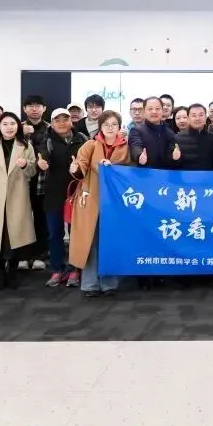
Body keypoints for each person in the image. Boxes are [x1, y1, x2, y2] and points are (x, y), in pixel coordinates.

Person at [69, 110, 129, 297]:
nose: (110, 128)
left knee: (110, 241)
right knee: (90, 242)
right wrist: (75, 168)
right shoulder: (90, 145)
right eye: (106, 124)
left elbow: (132, 171)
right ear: (100, 127)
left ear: (119, 127)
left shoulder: (126, 147)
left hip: (115, 203)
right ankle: (90, 284)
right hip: (91, 199)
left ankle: (109, 283)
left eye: (114, 124)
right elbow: (81, 166)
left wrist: (114, 168)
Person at [0, 112, 37, 290]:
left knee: (14, 238)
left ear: (18, 126)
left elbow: (33, 171)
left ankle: (12, 271)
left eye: (12, 123)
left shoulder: (26, 146)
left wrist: (26, 165)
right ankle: (0, 272)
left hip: (17, 198)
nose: (9, 127)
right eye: (5, 124)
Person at [38, 108, 88, 287]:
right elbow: (43, 156)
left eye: (65, 119)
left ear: (71, 121)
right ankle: (57, 269)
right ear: (51, 123)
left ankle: (75, 269)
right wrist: (42, 163)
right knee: (55, 233)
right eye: (57, 120)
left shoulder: (82, 139)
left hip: (77, 192)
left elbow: (88, 162)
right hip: (53, 194)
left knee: (76, 233)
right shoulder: (47, 139)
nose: (61, 123)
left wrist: (79, 168)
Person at [21, 95, 49, 272]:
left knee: (41, 219)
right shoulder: (16, 127)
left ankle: (39, 255)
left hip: (42, 181)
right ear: (24, 109)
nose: (34, 109)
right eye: (30, 106)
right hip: (21, 180)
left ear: (44, 108)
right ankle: (23, 256)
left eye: (38, 105)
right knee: (22, 219)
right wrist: (22, 133)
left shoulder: (50, 128)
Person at [168, 103, 213, 171]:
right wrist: (174, 159)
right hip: (186, 177)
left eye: (201, 115)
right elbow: (169, 164)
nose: (197, 118)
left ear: (206, 117)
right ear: (188, 118)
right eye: (194, 115)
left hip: (208, 177)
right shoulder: (176, 138)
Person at [129, 97, 176, 168]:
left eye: (157, 108)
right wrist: (139, 155)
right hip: (145, 172)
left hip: (164, 172)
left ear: (162, 111)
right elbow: (135, 147)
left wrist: (176, 158)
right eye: (150, 109)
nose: (154, 111)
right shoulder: (136, 130)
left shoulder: (169, 132)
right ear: (144, 111)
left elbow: (172, 155)